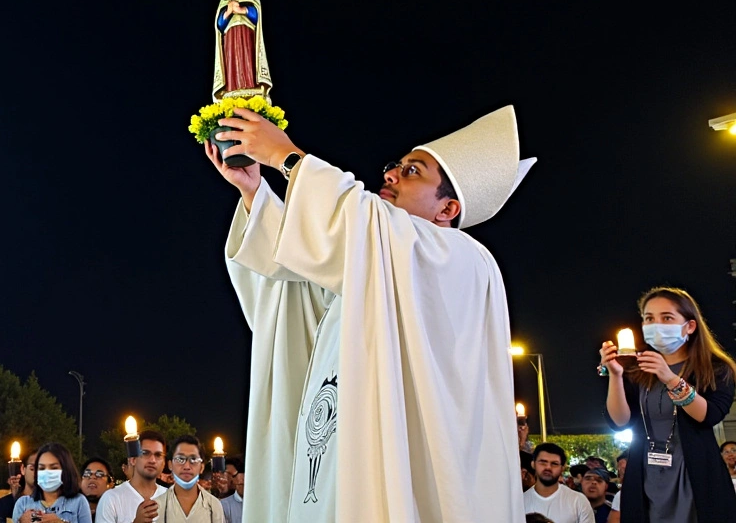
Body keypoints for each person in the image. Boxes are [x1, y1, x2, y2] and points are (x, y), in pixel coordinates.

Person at [212, 105, 534, 522]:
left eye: (413, 171)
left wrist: (288, 158)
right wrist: (255, 193)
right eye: (395, 166)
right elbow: (298, 278)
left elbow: (362, 223)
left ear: (448, 210)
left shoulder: (463, 260)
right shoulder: (374, 270)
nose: (391, 175)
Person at [599, 286, 736, 522]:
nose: (656, 324)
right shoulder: (638, 368)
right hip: (646, 472)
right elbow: (619, 422)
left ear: (690, 326)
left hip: (694, 471)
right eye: (649, 318)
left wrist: (670, 378)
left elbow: (710, 415)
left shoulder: (715, 368)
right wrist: (615, 375)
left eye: (667, 318)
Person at [95, 430, 169, 523]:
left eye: (158, 455)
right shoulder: (111, 498)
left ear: (163, 463)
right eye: (145, 453)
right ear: (133, 460)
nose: (152, 460)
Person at [13, 442, 92, 523]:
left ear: (66, 470)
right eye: (42, 468)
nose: (47, 472)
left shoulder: (79, 502)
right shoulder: (23, 503)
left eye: (54, 468)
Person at [157, 436, 224, 523]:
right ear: (170, 464)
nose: (187, 466)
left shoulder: (213, 505)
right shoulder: (157, 506)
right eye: (180, 459)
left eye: (193, 459)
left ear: (202, 467)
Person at [524, 442, 595, 523]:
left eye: (554, 464)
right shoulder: (521, 502)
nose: (548, 467)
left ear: (562, 468)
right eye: (543, 462)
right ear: (533, 464)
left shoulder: (578, 500)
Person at [0, 448, 38, 520]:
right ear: (23, 469)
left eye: (42, 468)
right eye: (32, 469)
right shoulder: (4, 504)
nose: (37, 473)